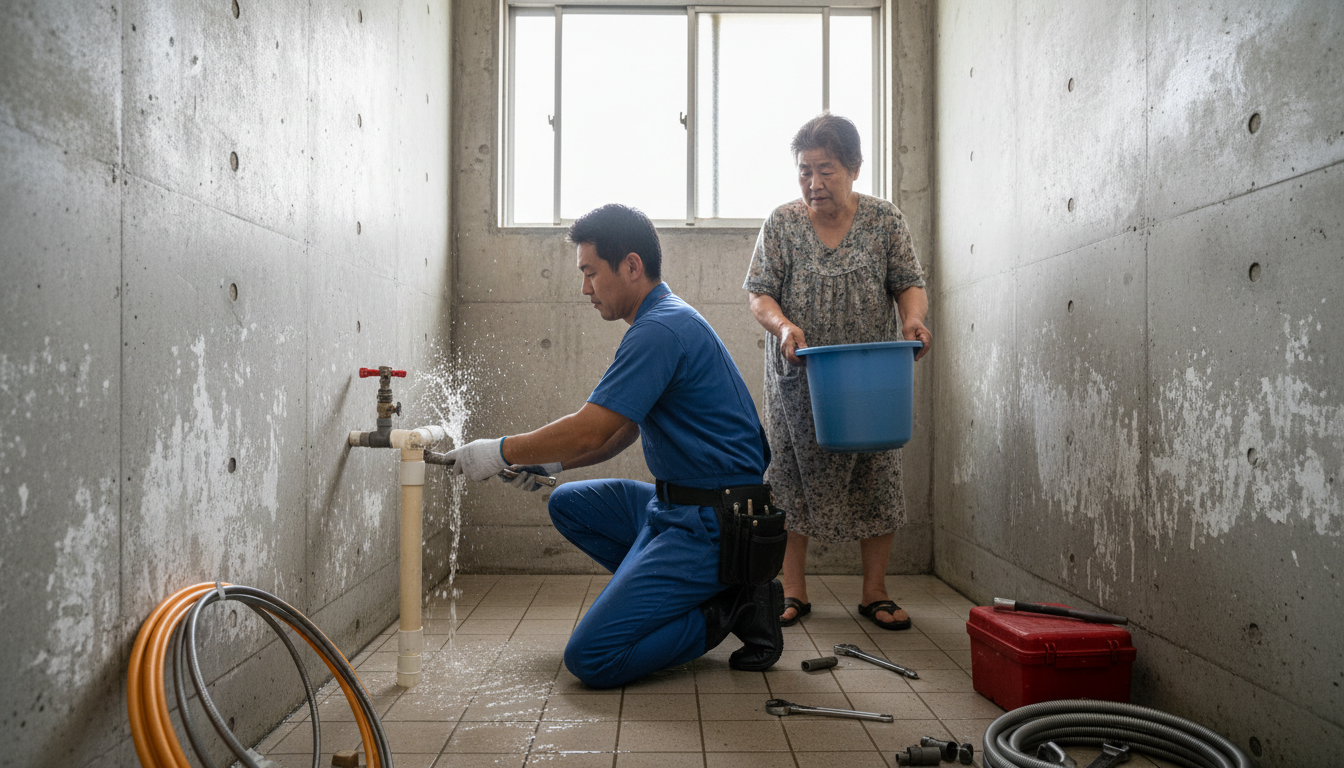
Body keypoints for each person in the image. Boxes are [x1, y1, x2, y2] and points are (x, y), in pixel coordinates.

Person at [445, 203, 784, 688]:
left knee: (592, 657)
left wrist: (498, 450)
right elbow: (618, 431)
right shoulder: (663, 320)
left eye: (590, 272)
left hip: (713, 523)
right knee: (567, 501)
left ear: (630, 266)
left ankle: (726, 606)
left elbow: (590, 428)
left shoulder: (659, 331)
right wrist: (549, 462)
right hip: (681, 506)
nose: (585, 288)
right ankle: (671, 590)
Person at [743, 113, 931, 631]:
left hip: (868, 376)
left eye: (825, 170)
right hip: (798, 375)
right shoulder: (782, 223)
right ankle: (794, 590)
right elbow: (759, 294)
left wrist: (914, 320)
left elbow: (909, 283)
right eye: (804, 170)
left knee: (877, 473)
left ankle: (875, 592)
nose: (813, 182)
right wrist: (782, 327)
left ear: (854, 168)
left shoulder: (884, 220)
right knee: (789, 475)